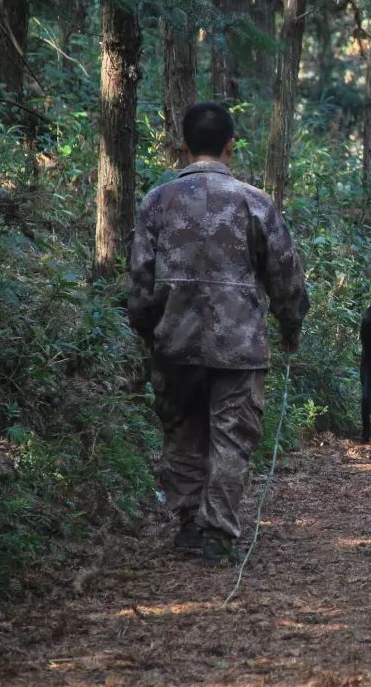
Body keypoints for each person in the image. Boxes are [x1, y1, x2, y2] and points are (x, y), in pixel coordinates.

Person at [128, 102, 309, 567]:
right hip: (240, 348)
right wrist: (291, 325)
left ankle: (189, 526)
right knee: (232, 440)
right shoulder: (255, 202)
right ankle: (217, 536)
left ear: (183, 145)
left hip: (174, 344)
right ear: (231, 145)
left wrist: (151, 332)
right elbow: (286, 275)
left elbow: (140, 282)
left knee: (182, 435)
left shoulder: (156, 202)